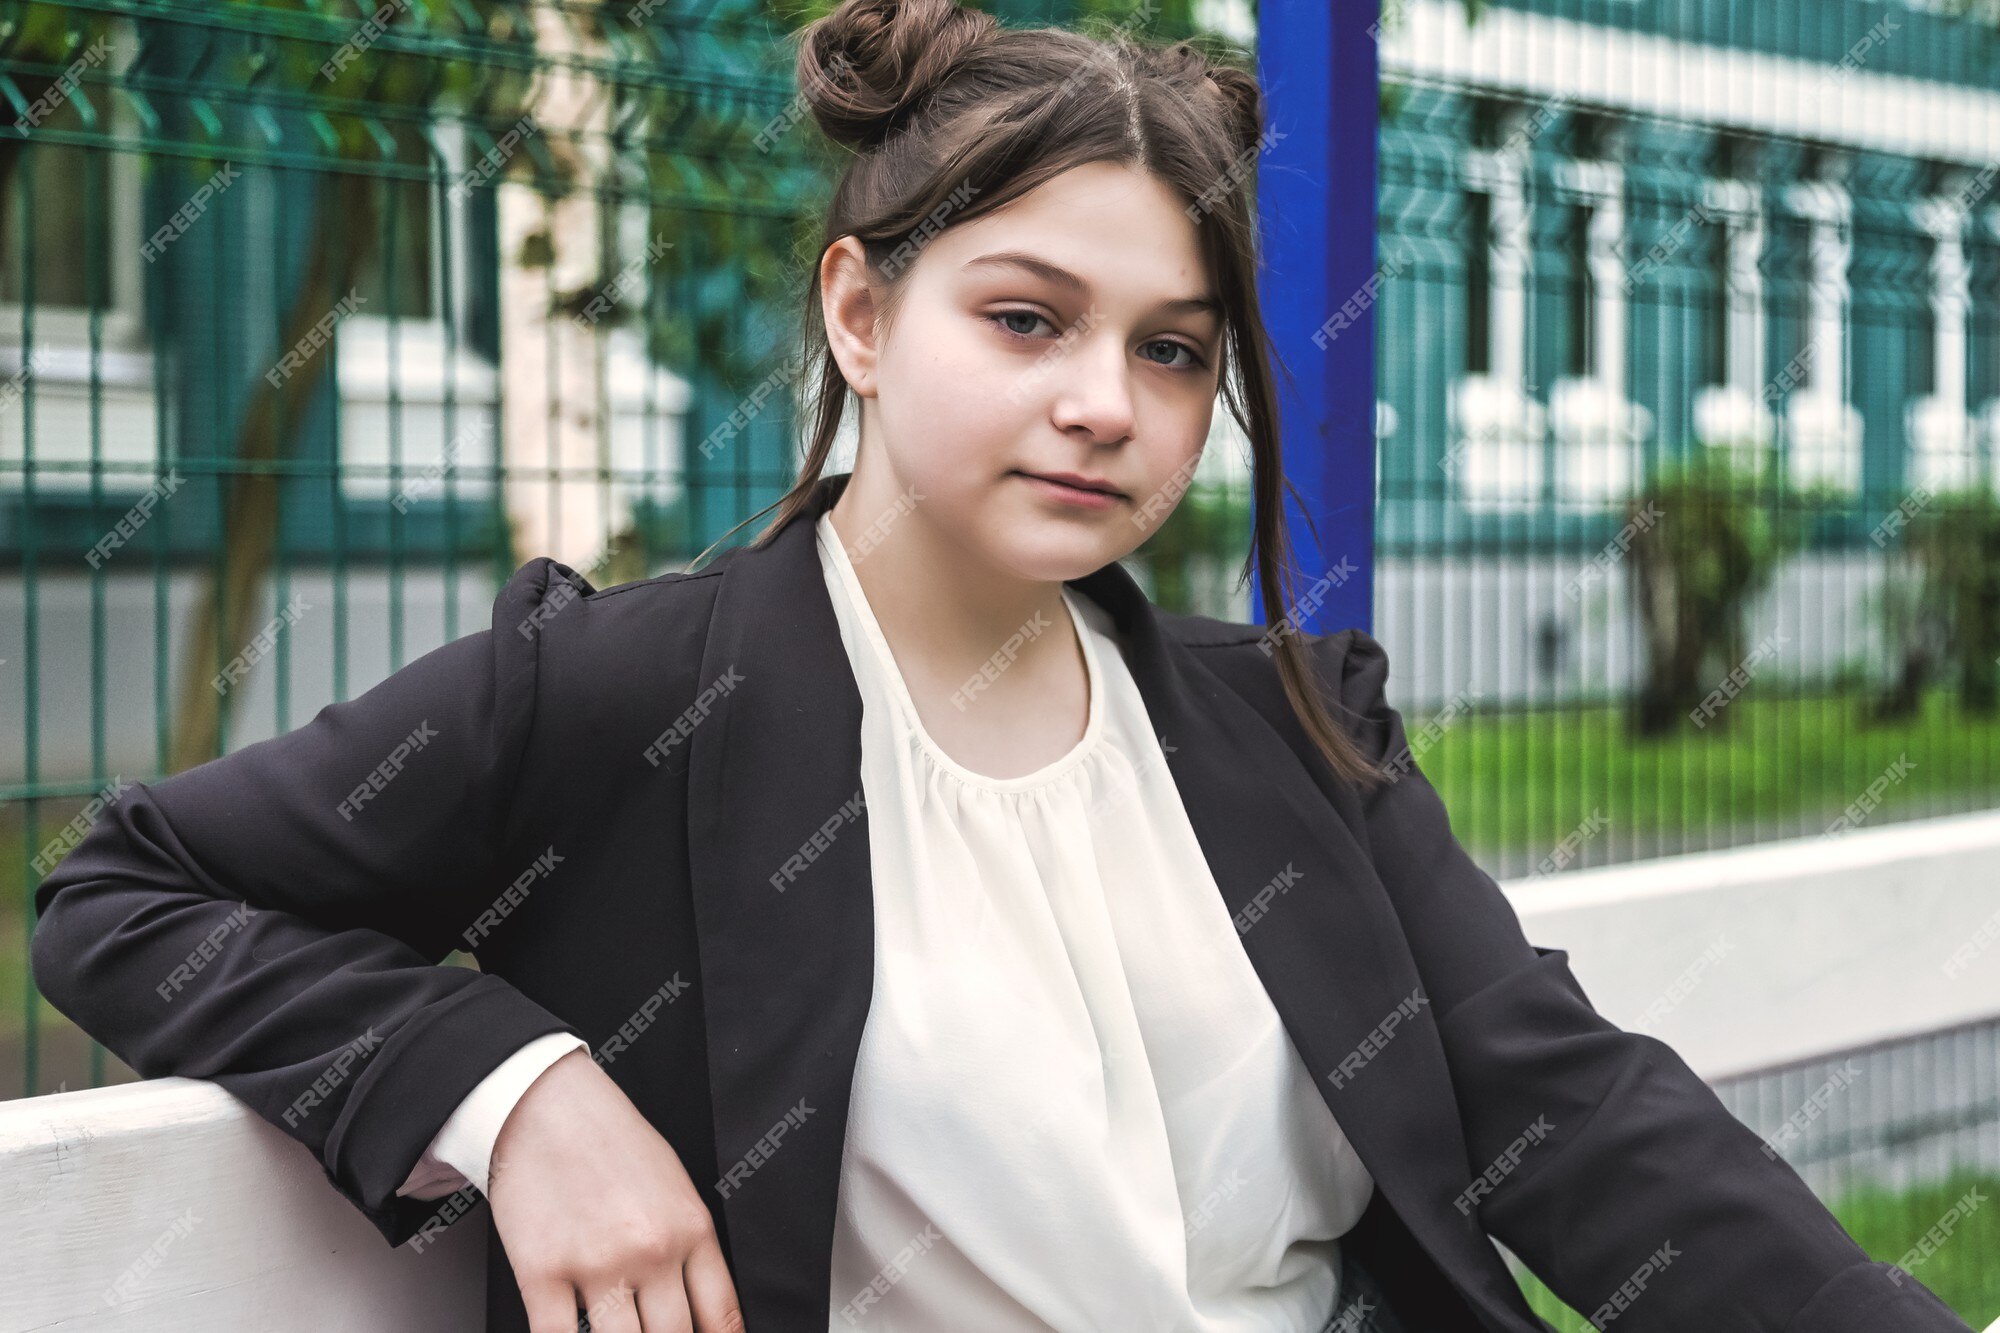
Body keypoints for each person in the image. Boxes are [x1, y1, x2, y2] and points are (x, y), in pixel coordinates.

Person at [28, 2, 1979, 1330]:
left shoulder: (1282, 727)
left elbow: (1568, 1111)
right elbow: (124, 892)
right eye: (1029, 316)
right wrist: (519, 1089)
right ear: (861, 311)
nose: (1103, 406)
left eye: (1171, 348)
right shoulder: (630, 695)